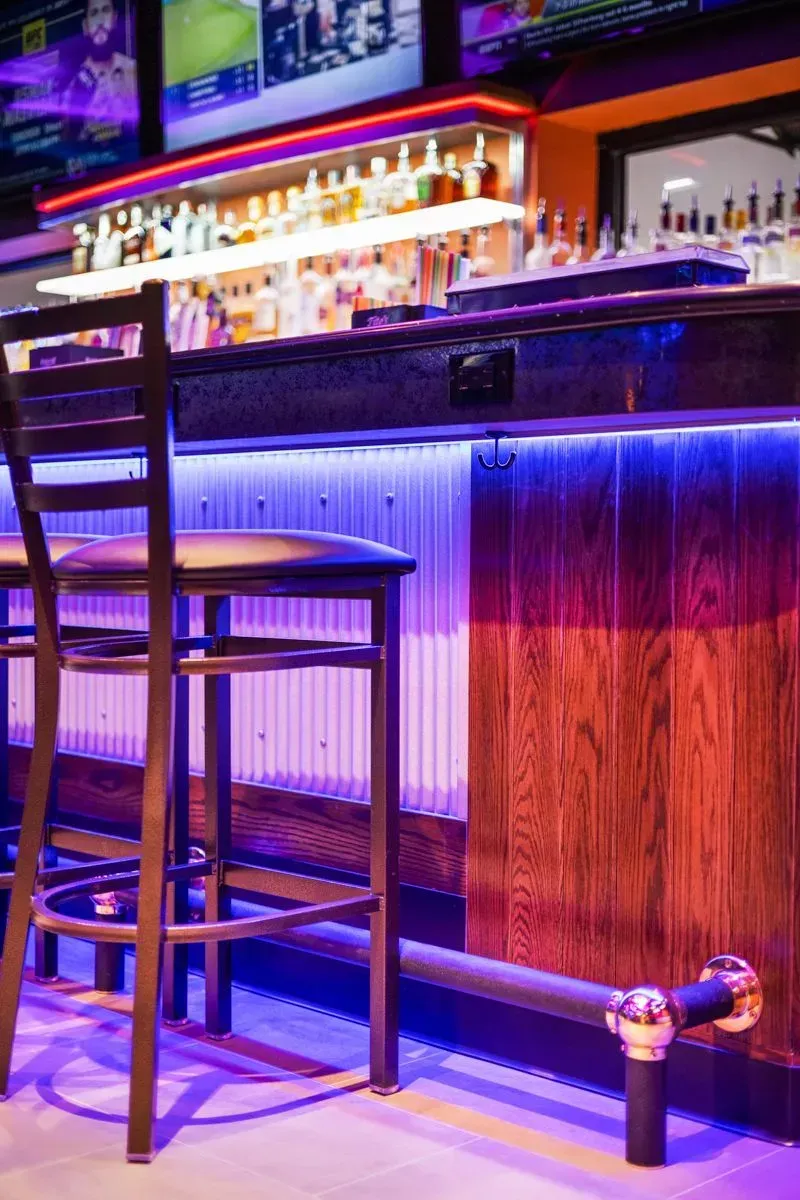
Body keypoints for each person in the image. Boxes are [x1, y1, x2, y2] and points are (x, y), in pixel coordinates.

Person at [63, 0, 137, 136]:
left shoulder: (133, 69)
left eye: (106, 10)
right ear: (85, 26)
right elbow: (66, 141)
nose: (100, 20)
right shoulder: (75, 86)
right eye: (94, 13)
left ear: (114, 18)